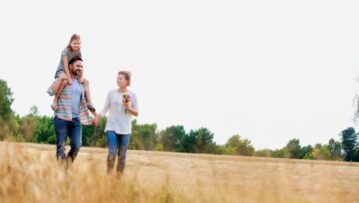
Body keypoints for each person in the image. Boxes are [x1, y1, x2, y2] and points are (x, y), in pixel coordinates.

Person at [48, 56, 98, 170]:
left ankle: (65, 168)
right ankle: (63, 173)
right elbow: (51, 91)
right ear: (70, 66)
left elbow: (88, 102)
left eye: (81, 66)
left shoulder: (83, 83)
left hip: (76, 119)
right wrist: (60, 79)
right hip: (61, 117)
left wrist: (95, 115)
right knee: (60, 146)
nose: (79, 68)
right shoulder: (64, 78)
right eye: (77, 66)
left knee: (77, 145)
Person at [96, 71, 138, 175]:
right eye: (117, 78)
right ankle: (109, 176)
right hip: (112, 125)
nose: (118, 80)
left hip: (125, 128)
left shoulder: (132, 95)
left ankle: (118, 180)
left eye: (120, 78)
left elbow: (136, 113)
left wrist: (128, 107)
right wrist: (98, 116)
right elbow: (105, 108)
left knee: (122, 155)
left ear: (127, 81)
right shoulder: (111, 93)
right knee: (112, 152)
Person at [50, 34, 95, 112]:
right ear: (70, 43)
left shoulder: (79, 52)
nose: (76, 45)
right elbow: (65, 65)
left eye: (78, 43)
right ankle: (55, 99)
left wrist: (81, 76)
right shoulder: (65, 51)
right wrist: (69, 77)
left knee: (86, 82)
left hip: (72, 71)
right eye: (75, 43)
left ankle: (89, 102)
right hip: (62, 70)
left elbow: (81, 64)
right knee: (64, 81)